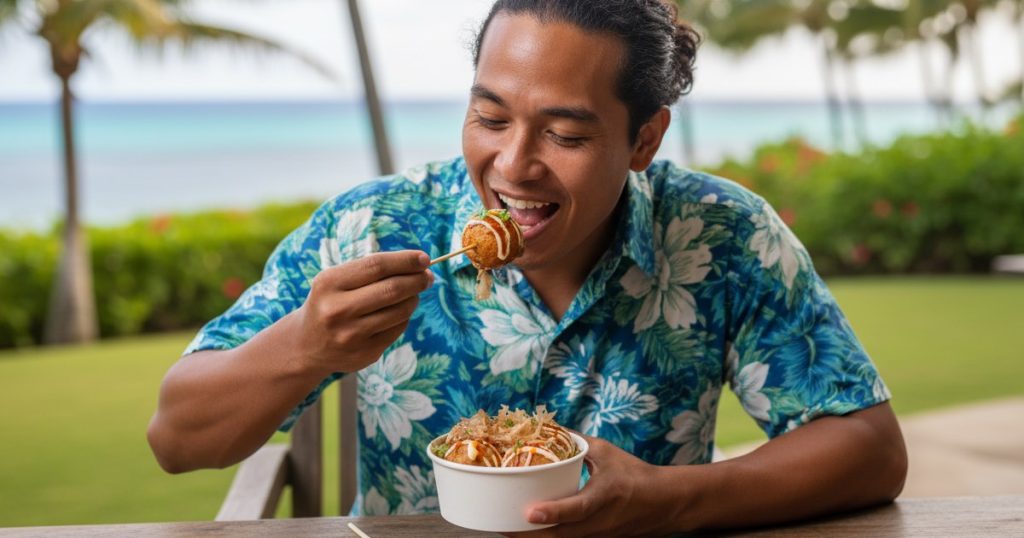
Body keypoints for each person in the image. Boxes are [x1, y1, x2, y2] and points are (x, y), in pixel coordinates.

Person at [147, 0, 907, 535]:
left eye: (566, 135)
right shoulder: (372, 226)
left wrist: (673, 499)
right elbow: (180, 441)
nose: (512, 166)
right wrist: (305, 345)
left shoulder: (721, 236)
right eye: (490, 117)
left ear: (643, 141)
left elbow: (869, 448)